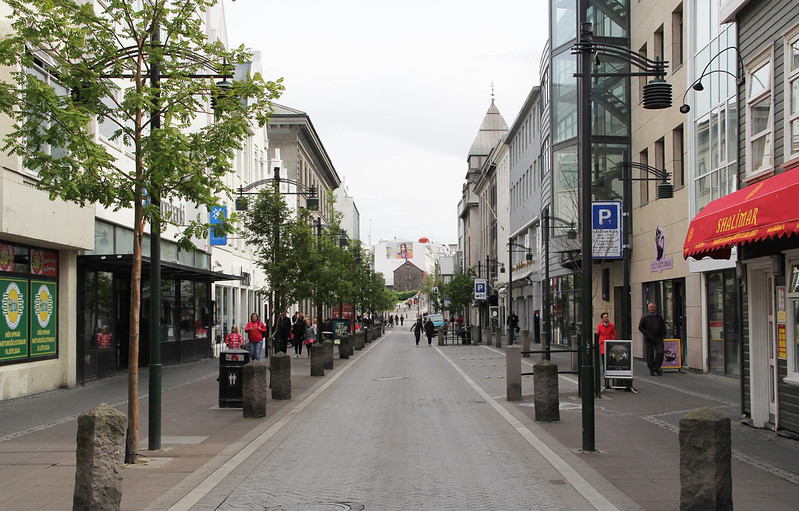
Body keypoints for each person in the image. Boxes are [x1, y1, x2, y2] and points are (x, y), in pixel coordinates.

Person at [638, 302, 668, 376]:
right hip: (649, 338)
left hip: (658, 338)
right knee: (650, 355)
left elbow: (663, 326)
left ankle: (657, 367)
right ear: (648, 309)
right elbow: (640, 327)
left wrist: (663, 335)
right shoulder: (645, 317)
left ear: (655, 308)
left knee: (660, 352)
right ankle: (651, 369)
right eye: (650, 307)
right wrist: (646, 333)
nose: (651, 309)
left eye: (653, 307)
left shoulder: (659, 317)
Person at [596, 312, 616, 386]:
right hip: (602, 346)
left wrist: (612, 341)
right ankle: (606, 380)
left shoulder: (612, 326)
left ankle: (610, 377)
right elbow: (598, 334)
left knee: (610, 362)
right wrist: (599, 342)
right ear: (602, 319)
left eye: (607, 317)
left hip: (609, 345)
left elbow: (614, 334)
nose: (606, 318)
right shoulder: (600, 326)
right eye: (605, 317)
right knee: (604, 362)